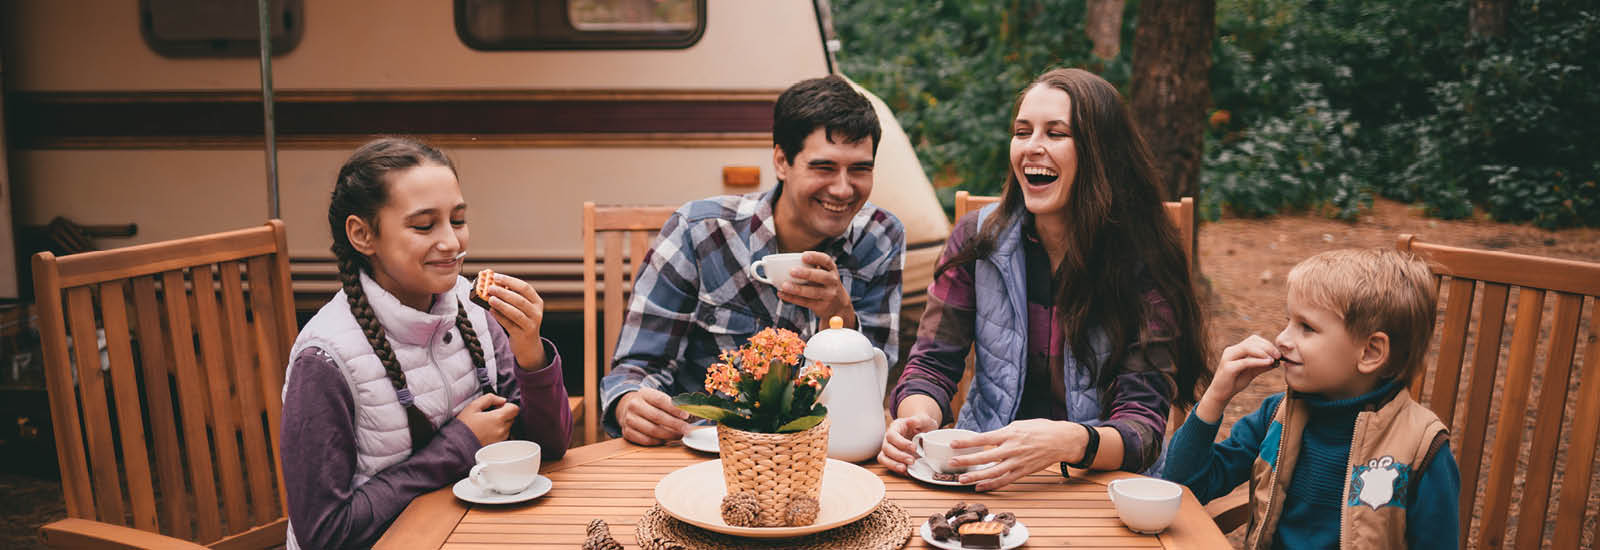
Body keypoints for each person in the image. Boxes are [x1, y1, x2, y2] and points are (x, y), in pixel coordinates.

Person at [879, 68, 1209, 491]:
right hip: (981, 471)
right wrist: (917, 418)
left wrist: (1068, 441)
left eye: (1056, 134)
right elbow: (931, 364)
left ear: (1100, 152)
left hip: (1099, 482)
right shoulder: (977, 239)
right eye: (1022, 132)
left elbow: (1143, 430)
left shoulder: (1142, 255)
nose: (1032, 148)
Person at [281, 138, 572, 549]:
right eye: (423, 226)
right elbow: (325, 535)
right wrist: (460, 445)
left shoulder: (474, 310)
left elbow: (549, 450)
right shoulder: (325, 359)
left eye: (457, 220)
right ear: (362, 235)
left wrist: (531, 355)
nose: (452, 243)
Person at [601, 75, 906, 445]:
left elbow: (877, 386)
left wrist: (839, 316)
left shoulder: (879, 237)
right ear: (781, 161)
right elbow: (637, 367)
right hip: (704, 449)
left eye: (860, 169)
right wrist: (630, 404)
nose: (843, 189)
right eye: (824, 168)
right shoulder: (700, 231)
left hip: (821, 454)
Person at [1163, 248, 1459, 549]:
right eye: (1288, 321)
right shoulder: (1276, 416)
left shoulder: (1422, 449)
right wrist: (1216, 396)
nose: (1282, 338)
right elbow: (1184, 486)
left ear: (1370, 352)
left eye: (1306, 327)